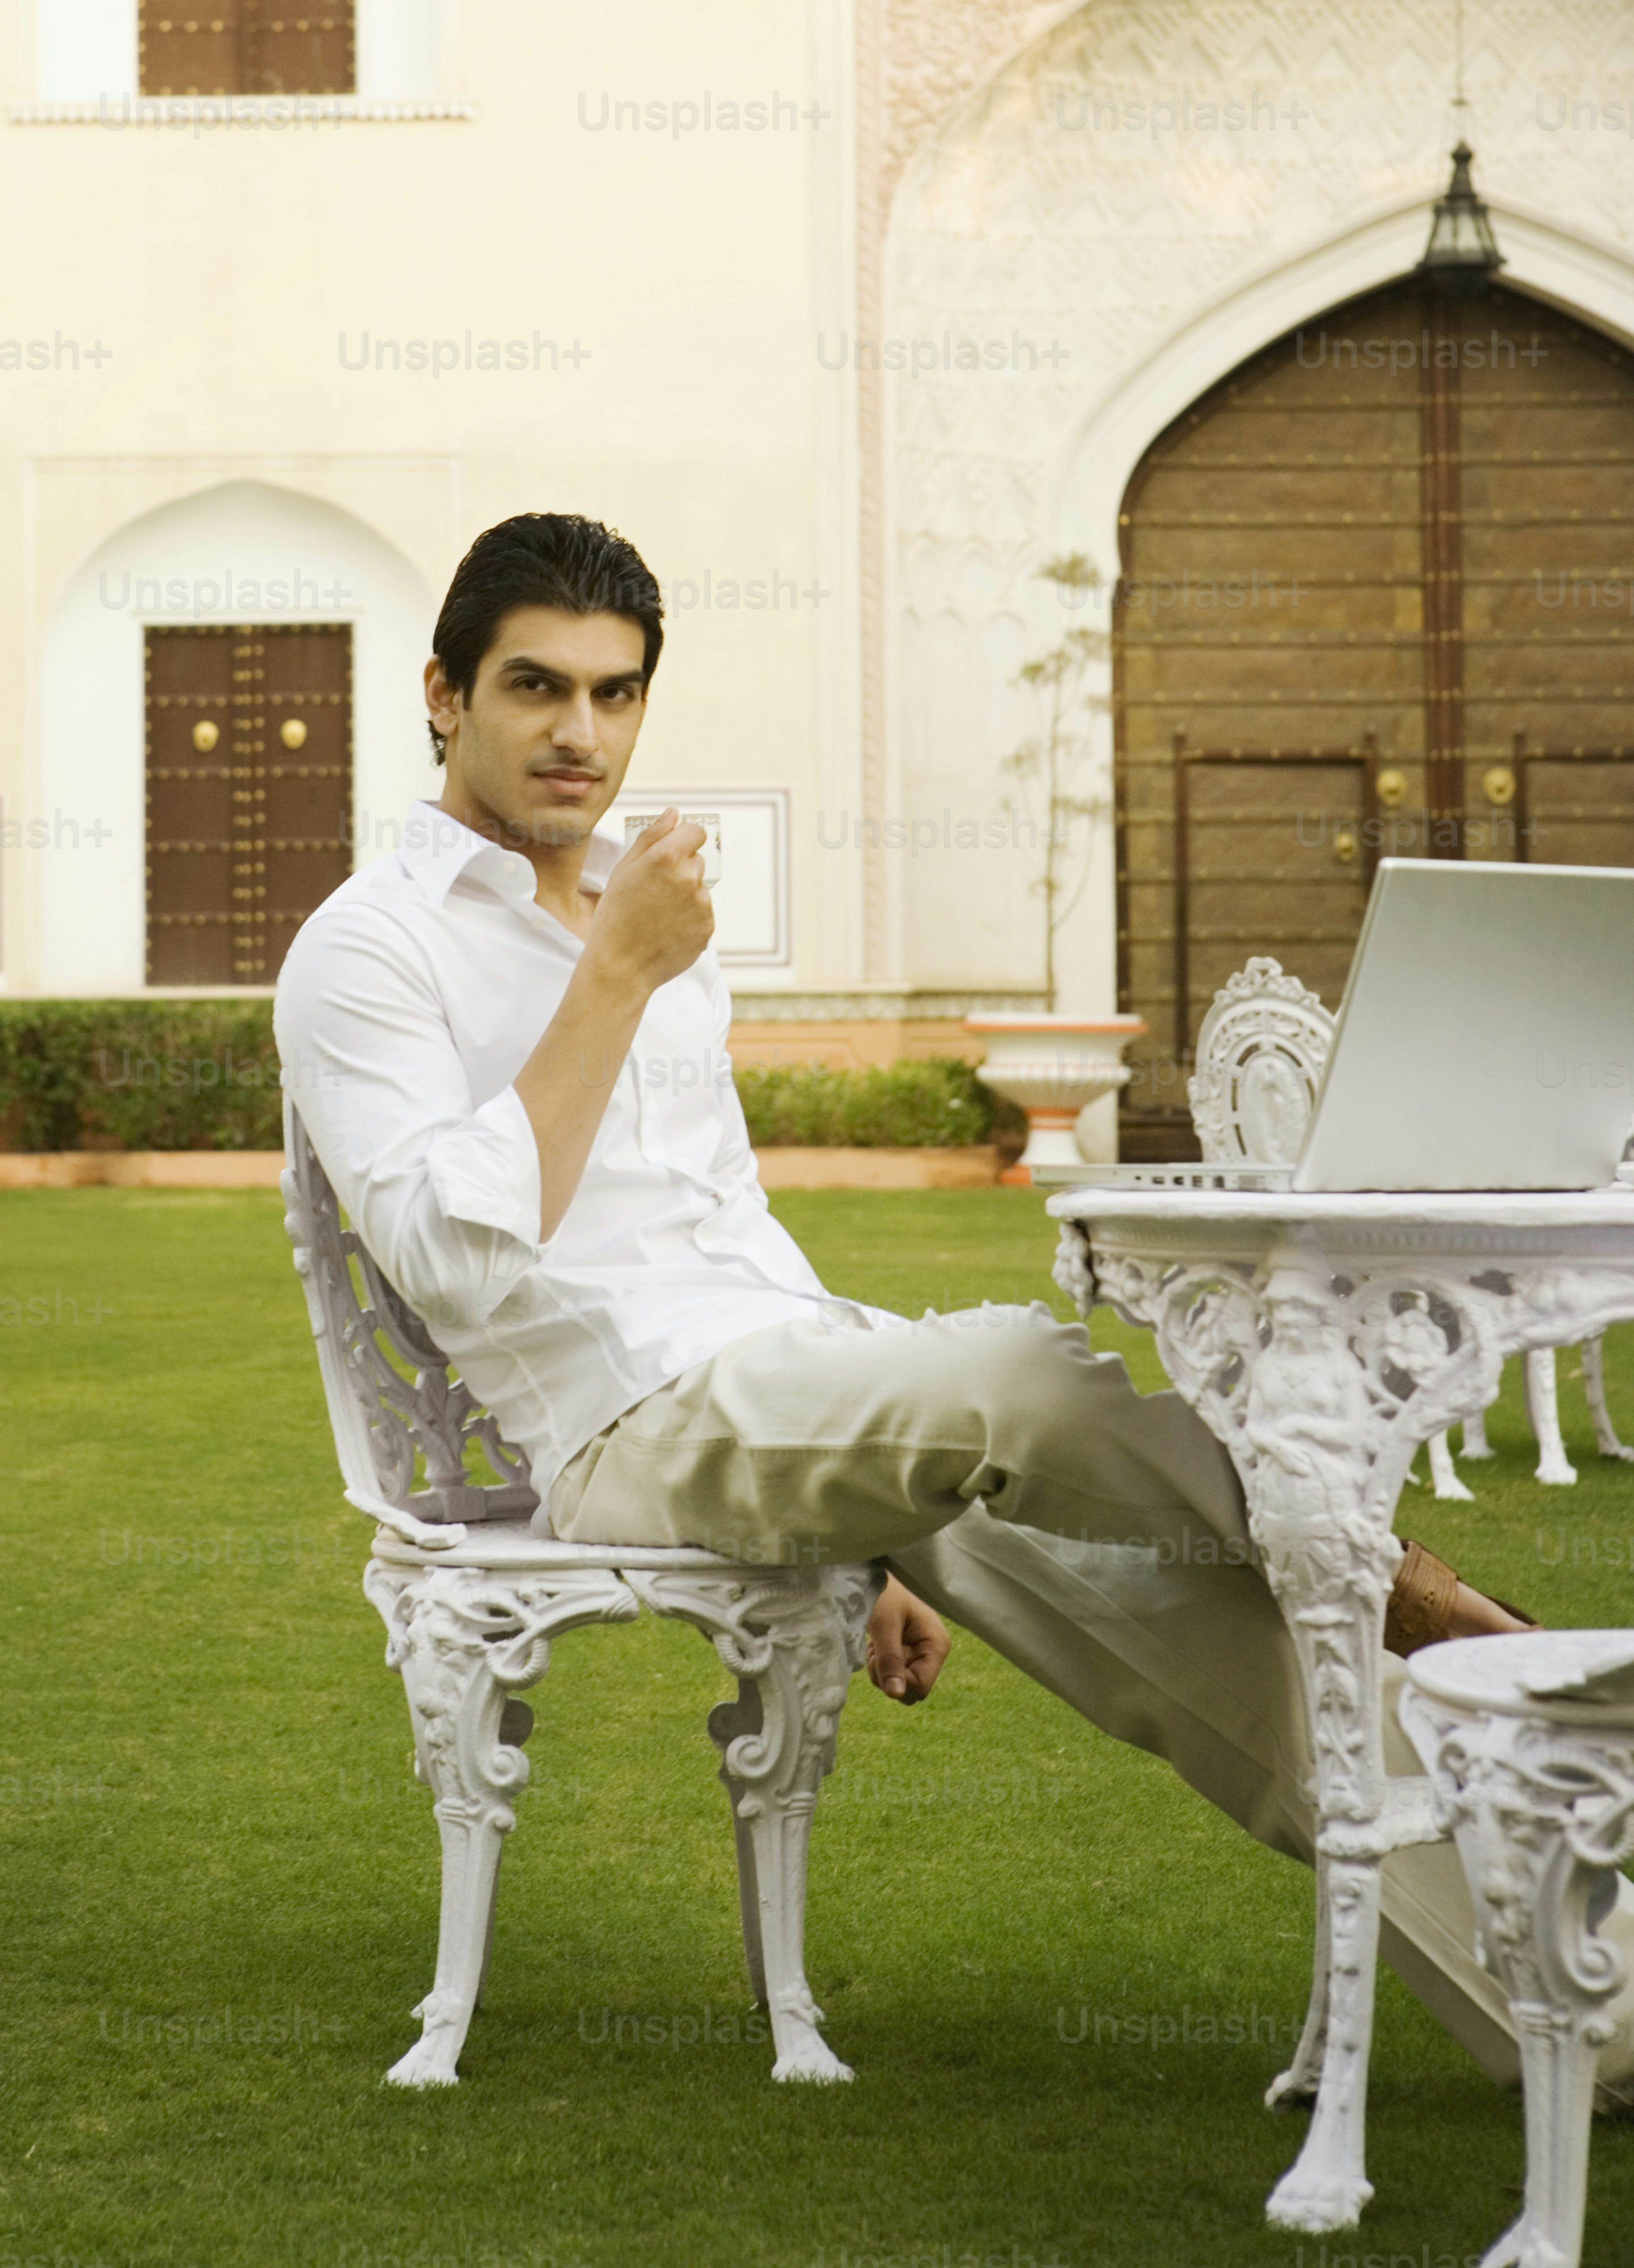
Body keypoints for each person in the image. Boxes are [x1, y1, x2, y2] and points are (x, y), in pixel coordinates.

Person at [274, 509, 1623, 2095]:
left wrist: (861, 1509)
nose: (581, 732)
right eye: (536, 687)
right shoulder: (368, 949)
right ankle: (1415, 1586)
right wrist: (616, 978)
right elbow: (447, 1260)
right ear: (445, 695)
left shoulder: (647, 914)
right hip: (616, 1425)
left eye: (614, 693)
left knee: (1211, 1639)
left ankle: (1587, 2012)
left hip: (789, 1389)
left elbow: (728, 1222)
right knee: (1016, 1372)